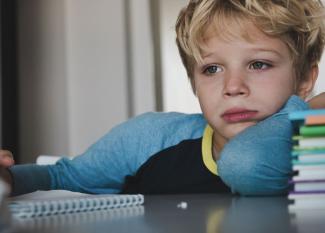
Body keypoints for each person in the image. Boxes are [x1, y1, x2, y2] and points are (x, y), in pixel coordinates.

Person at [1, 0, 325, 196]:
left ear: (305, 79)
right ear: (193, 82)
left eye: (258, 64)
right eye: (211, 69)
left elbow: (247, 164)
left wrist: (302, 114)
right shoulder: (149, 140)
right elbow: (60, 175)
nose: (233, 86)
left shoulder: (315, 149)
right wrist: (9, 178)